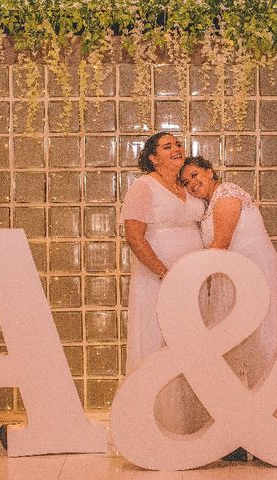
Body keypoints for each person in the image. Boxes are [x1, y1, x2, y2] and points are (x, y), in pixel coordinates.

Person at [179, 156, 277, 461]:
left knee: (261, 351)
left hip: (254, 275)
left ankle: (265, 436)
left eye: (195, 175)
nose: (192, 183)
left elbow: (221, 243)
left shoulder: (227, 193)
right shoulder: (207, 206)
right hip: (231, 278)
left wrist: (183, 268)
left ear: (210, 172)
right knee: (232, 354)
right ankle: (237, 433)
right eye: (186, 182)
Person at [120, 132, 209, 435]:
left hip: (193, 282)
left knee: (193, 345)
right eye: (167, 146)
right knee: (160, 343)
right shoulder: (144, 187)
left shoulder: (188, 185)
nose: (176, 149)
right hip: (158, 280)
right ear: (153, 158)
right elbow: (134, 236)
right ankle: (156, 428)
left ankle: (193, 425)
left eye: (179, 145)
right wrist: (164, 273)